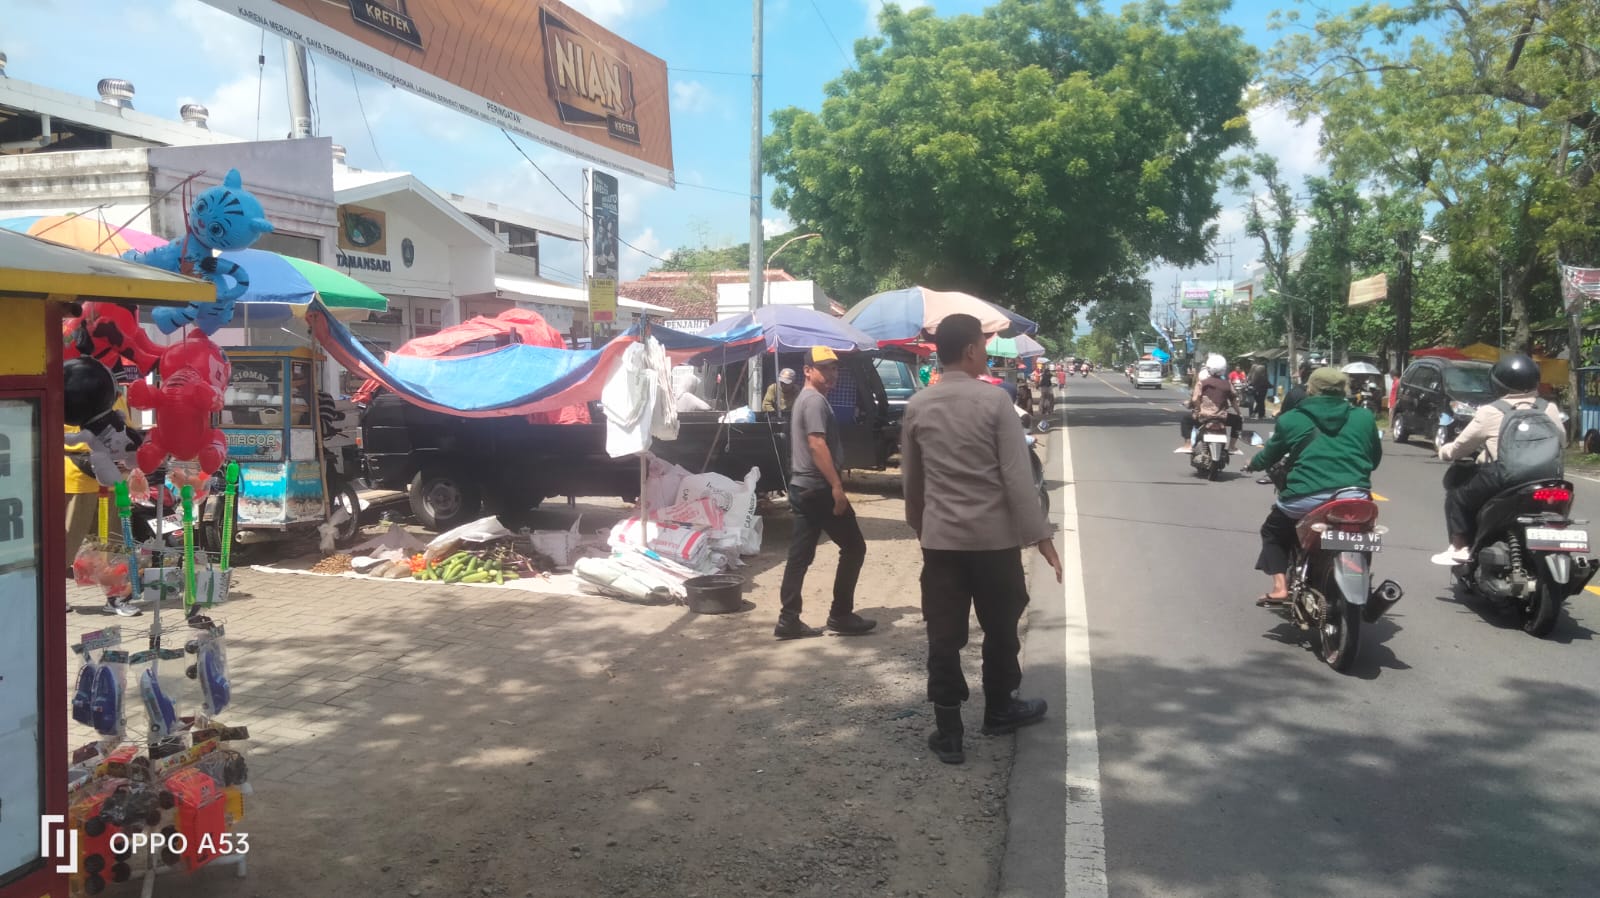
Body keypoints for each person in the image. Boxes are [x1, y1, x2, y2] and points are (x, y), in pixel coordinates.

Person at [901, 314, 1062, 765]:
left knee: (944, 634)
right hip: (994, 544)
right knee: (1001, 627)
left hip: (942, 543)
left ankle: (948, 730)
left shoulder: (918, 406)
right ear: (972, 349)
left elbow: (912, 483)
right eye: (984, 345)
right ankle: (999, 709)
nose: (986, 352)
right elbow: (1018, 480)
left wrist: (921, 526)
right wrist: (1041, 538)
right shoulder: (995, 404)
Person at [1243, 368, 1382, 603]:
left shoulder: (1291, 419)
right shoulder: (1364, 417)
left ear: (1310, 389)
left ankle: (1279, 587)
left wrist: (1252, 464)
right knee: (1362, 535)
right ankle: (1363, 582)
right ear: (1344, 390)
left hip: (1305, 498)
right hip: (1354, 497)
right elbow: (1374, 459)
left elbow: (1269, 455)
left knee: (1273, 532)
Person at [775, 347, 876, 639]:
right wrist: (836, 487)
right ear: (808, 370)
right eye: (824, 368)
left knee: (799, 556)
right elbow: (817, 445)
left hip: (802, 486)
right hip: (817, 488)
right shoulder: (814, 401)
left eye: (834, 368)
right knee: (854, 547)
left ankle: (788, 619)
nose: (831, 374)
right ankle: (840, 614)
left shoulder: (805, 399)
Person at [1431, 354, 1566, 565]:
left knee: (1457, 494)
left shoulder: (1490, 411)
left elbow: (1461, 447)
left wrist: (1444, 451)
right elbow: (1562, 441)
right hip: (1550, 480)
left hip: (1505, 479)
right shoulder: (1548, 408)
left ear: (1498, 383)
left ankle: (1459, 547)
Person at [1176, 354, 1242, 454]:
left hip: (1204, 417)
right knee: (1238, 421)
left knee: (1186, 420)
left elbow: (1194, 399)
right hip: (1222, 418)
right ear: (1224, 369)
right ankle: (1232, 446)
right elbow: (1233, 401)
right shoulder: (1228, 384)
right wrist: (1239, 413)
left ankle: (1188, 445)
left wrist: (1198, 410)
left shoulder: (1202, 383)